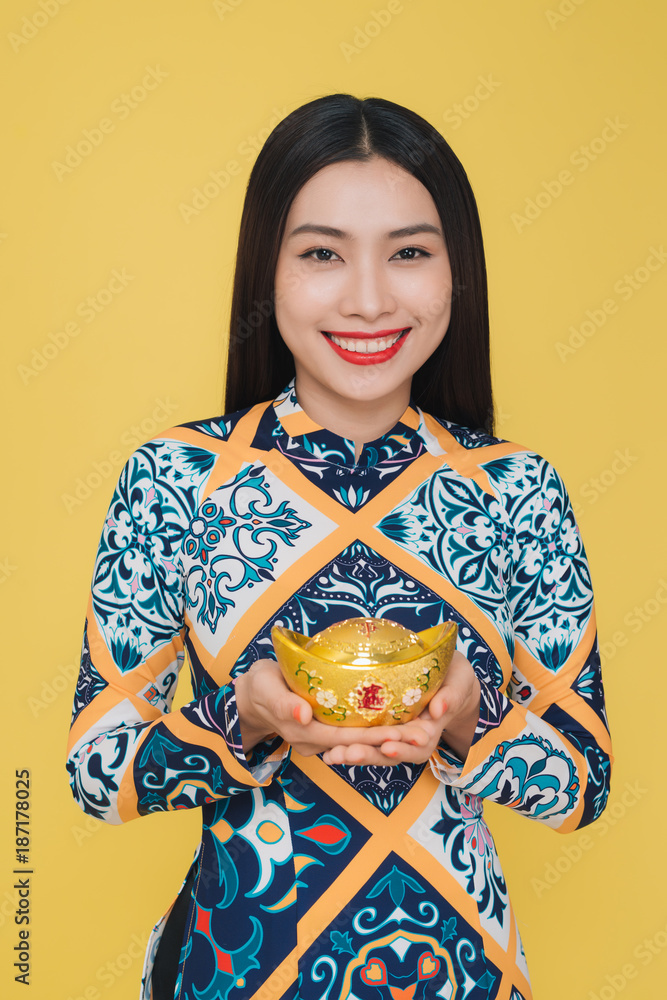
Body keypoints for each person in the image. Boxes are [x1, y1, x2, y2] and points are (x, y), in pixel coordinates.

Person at [66, 94, 612, 1000]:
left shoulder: (514, 490)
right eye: (321, 253)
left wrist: (470, 726)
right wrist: (242, 721)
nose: (368, 298)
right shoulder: (175, 478)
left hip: (466, 975)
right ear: (265, 274)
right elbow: (95, 769)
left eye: (408, 253)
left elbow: (583, 782)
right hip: (233, 973)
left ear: (454, 272)